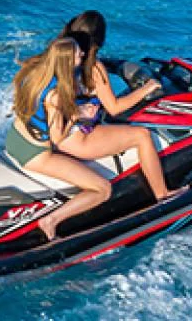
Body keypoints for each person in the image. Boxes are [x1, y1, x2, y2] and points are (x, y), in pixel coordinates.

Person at [55, 11, 181, 206]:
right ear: (100, 38)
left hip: (57, 131)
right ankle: (162, 194)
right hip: (76, 138)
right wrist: (146, 89)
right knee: (142, 135)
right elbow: (114, 108)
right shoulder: (93, 67)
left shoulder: (60, 54)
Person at [8, 37, 114, 241]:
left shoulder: (35, 73)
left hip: (15, 139)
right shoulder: (55, 95)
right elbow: (57, 137)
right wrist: (77, 115)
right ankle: (51, 221)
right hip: (36, 153)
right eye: (77, 53)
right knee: (102, 188)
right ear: (66, 61)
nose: (82, 54)